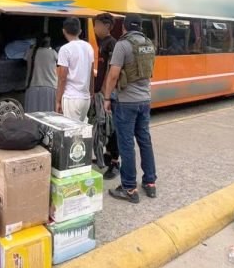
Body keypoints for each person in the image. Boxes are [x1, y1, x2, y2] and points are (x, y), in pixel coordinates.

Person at [102, 13, 157, 204]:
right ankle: (150, 182)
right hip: (145, 100)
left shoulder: (122, 45)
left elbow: (113, 74)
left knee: (126, 144)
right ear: (140, 27)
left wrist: (107, 97)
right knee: (145, 141)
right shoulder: (148, 44)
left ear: (124, 27)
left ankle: (129, 188)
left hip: (126, 102)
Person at [93, 13, 119, 179]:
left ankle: (115, 162)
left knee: (112, 128)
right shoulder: (102, 43)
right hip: (102, 92)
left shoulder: (112, 44)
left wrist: (105, 94)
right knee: (105, 128)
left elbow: (111, 72)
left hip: (109, 94)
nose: (94, 28)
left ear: (107, 26)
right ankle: (108, 156)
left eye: (97, 25)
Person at [55, 17, 94, 122]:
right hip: (85, 98)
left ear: (64, 31)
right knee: (81, 130)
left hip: (71, 97)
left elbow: (62, 78)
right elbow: (91, 72)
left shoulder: (65, 49)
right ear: (80, 31)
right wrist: (91, 93)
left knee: (71, 130)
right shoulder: (89, 47)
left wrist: (58, 100)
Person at [24, 35, 57, 113]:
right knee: (48, 116)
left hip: (32, 88)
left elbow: (25, 59)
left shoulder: (30, 52)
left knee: (32, 116)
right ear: (48, 43)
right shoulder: (53, 53)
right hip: (49, 88)